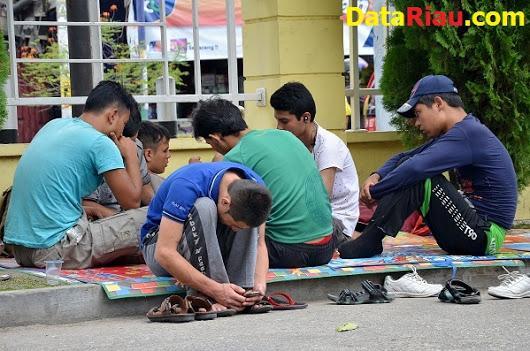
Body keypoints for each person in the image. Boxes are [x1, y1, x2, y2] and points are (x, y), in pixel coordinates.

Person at [339, 75, 517, 259]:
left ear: (438, 103)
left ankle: (371, 239)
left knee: (420, 176)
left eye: (418, 113)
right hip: (470, 230)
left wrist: (376, 193)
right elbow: (404, 157)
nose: (416, 123)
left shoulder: (468, 133)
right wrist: (376, 176)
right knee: (410, 167)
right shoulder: (459, 132)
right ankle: (370, 237)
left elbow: (414, 169)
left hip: (484, 236)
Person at [3, 81, 147, 269]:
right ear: (112, 115)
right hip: (55, 248)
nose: (123, 133)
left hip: (21, 251)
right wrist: (131, 155)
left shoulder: (53, 125)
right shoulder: (101, 143)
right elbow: (132, 203)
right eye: (124, 123)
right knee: (152, 217)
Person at [192, 98, 337, 269]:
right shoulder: (286, 136)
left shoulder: (235, 158)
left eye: (210, 144)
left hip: (286, 251)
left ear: (215, 138)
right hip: (326, 247)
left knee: (221, 210)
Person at [141, 162, 272, 312]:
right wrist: (215, 290)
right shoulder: (186, 185)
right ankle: (206, 296)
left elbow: (260, 244)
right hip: (159, 248)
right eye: (235, 225)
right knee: (204, 206)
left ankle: (240, 293)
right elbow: (164, 252)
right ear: (225, 202)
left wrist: (260, 285)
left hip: (211, 245)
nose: (236, 231)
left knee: (249, 225)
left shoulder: (255, 190)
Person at [270, 82, 360, 244]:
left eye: (284, 121)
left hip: (334, 222)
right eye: (277, 121)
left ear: (306, 117)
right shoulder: (291, 143)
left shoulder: (329, 145)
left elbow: (320, 199)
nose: (279, 127)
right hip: (309, 219)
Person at [83, 97, 154, 218]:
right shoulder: (94, 149)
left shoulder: (136, 146)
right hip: (104, 220)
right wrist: (120, 218)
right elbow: (86, 203)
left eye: (133, 141)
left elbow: (145, 192)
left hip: (127, 217)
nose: (131, 146)